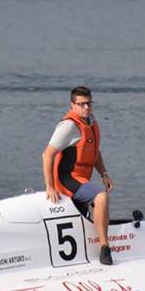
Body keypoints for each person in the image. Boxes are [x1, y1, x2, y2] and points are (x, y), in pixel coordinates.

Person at [41, 86, 114, 265]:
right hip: (66, 179)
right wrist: (50, 186)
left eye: (89, 103)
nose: (86, 108)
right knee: (101, 197)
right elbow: (47, 155)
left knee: (96, 201)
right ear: (72, 105)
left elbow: (94, 152)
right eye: (81, 104)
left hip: (82, 179)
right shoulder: (69, 126)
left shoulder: (91, 122)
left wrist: (103, 173)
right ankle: (105, 248)